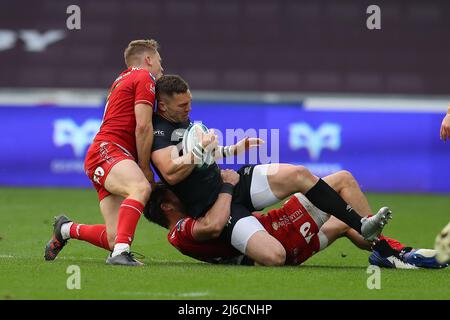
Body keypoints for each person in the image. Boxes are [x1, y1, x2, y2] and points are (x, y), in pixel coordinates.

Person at [150, 74, 391, 264]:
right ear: (163, 106)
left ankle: (362, 226)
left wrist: (231, 149)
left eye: (190, 103)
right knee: (274, 256)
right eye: (183, 105)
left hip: (234, 182)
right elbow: (171, 171)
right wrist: (202, 152)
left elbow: (203, 156)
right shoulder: (159, 135)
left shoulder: (182, 119)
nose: (188, 110)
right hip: (217, 207)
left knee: (299, 174)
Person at [144, 170, 448, 269]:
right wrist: (228, 186)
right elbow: (214, 225)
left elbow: (226, 230)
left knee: (344, 223)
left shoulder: (186, 224)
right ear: (167, 207)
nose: (180, 194)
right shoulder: (181, 230)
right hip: (280, 235)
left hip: (282, 239)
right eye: (173, 194)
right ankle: (392, 251)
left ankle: (389, 254)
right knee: (342, 180)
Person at [44, 39, 164, 266]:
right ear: (148, 59)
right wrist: (145, 167)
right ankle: (120, 254)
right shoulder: (144, 77)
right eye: (159, 60)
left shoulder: (122, 78)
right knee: (139, 187)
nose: (161, 67)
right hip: (110, 151)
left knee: (113, 236)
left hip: (102, 154)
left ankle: (67, 229)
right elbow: (143, 126)